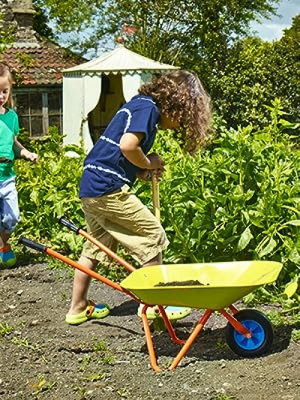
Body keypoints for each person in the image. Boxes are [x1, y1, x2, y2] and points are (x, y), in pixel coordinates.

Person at [66, 70, 212, 325]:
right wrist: (147, 162)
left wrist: (143, 168)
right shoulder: (148, 110)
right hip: (108, 187)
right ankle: (156, 303)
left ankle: (77, 306)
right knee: (152, 235)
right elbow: (128, 146)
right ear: (175, 105)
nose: (179, 126)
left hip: (92, 184)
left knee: (95, 246)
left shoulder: (137, 105)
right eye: (182, 119)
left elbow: (119, 155)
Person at [0, 63, 38, 267]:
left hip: (6, 177)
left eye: (4, 91)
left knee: (12, 217)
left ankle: (3, 245)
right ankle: (4, 249)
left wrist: (25, 153)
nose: (1, 96)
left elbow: (13, 143)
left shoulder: (11, 117)